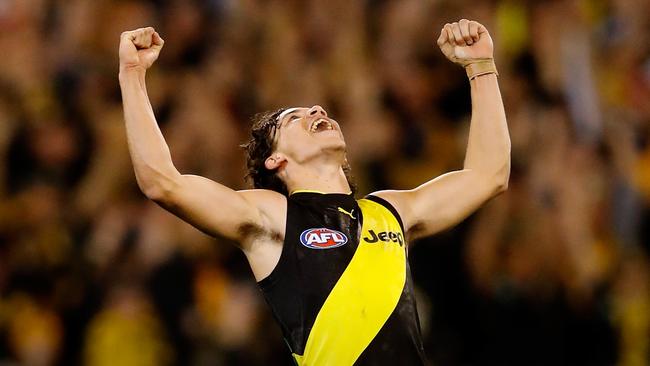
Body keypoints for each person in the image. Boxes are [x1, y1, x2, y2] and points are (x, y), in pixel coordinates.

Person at [118, 18, 510, 365]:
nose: (318, 111)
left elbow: (488, 174)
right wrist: (132, 76)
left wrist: (481, 67)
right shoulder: (274, 217)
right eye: (294, 117)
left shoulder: (390, 211)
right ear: (275, 161)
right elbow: (162, 182)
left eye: (318, 110)